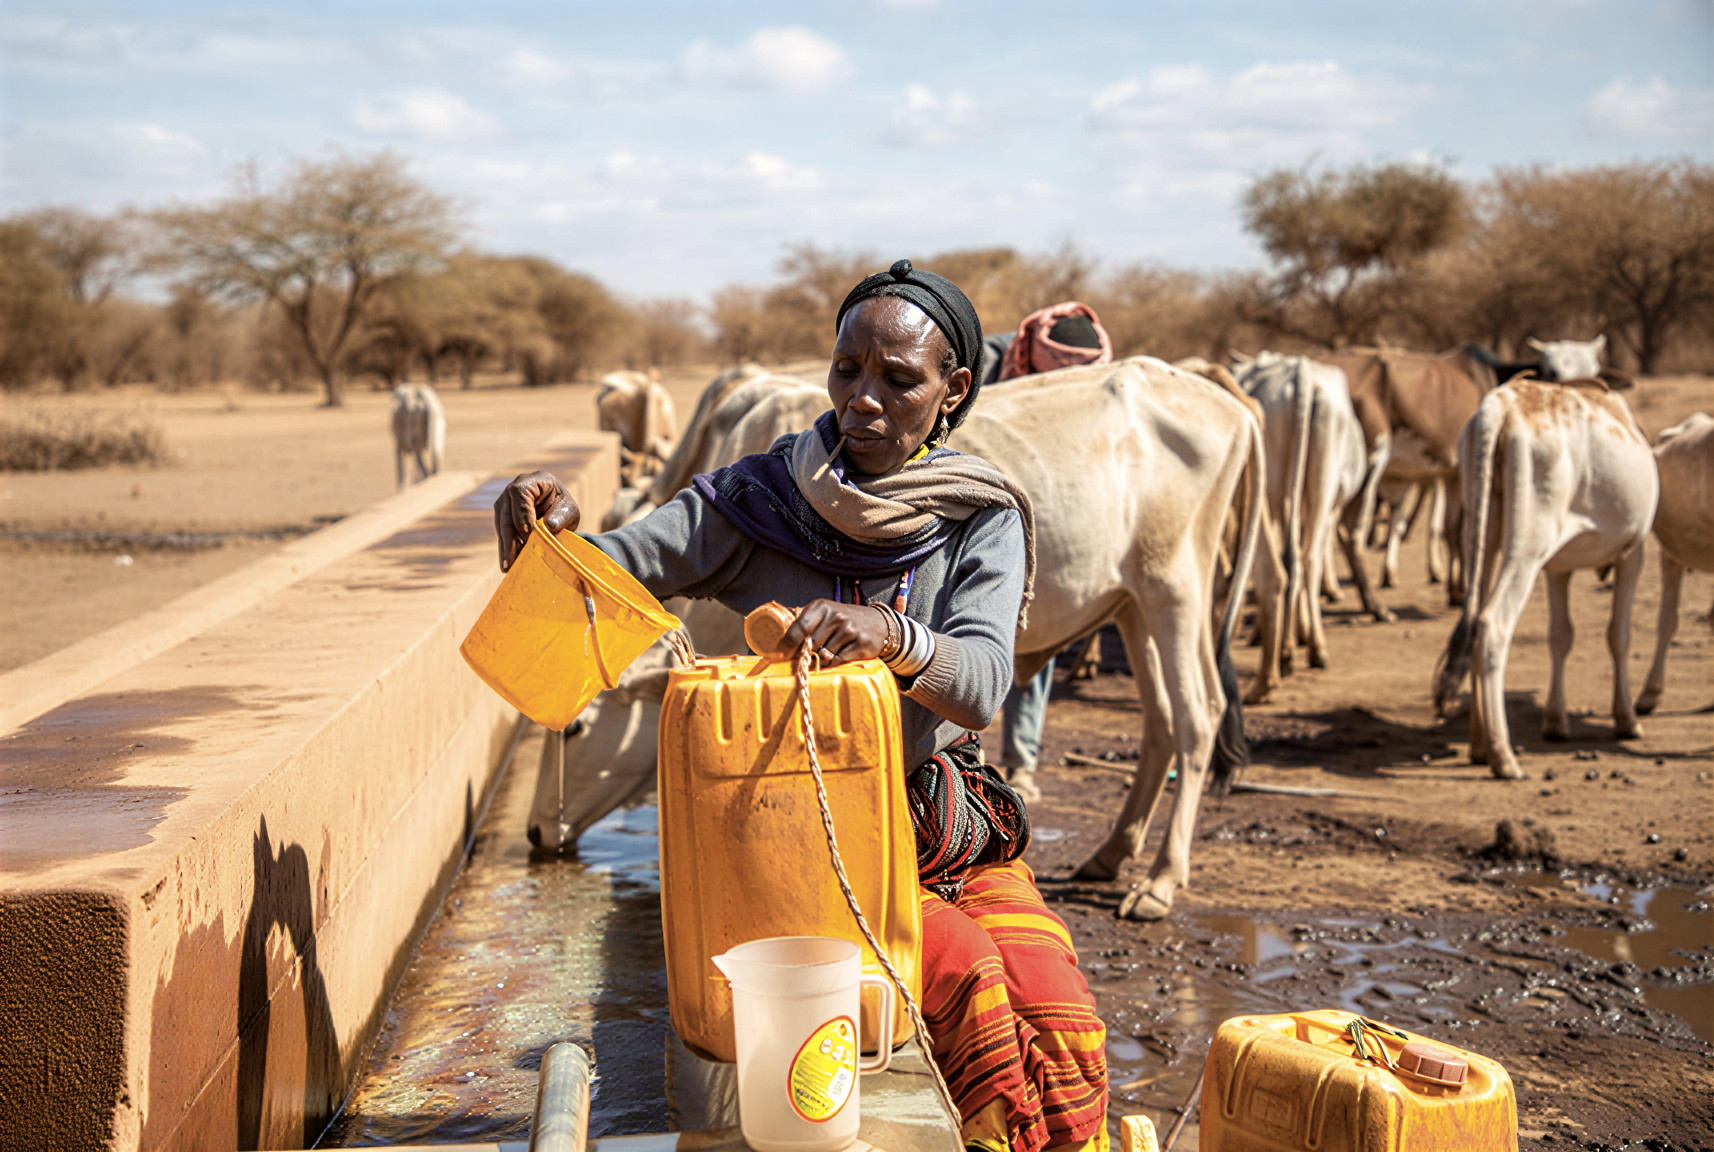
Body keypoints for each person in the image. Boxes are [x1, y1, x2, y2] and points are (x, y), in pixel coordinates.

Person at [494, 260, 1108, 1152]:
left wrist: (890, 635)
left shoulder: (979, 515)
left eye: (898, 380)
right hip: (804, 849)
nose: (863, 401)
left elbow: (977, 686)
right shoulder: (759, 501)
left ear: (953, 390)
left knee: (1057, 997)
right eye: (846, 371)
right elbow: (611, 574)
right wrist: (554, 538)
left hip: (938, 827)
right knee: (968, 977)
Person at [994, 302, 1115, 804]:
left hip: (1042, 512)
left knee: (1033, 628)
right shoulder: (986, 364)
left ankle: (1021, 764)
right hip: (975, 510)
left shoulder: (1096, 381)